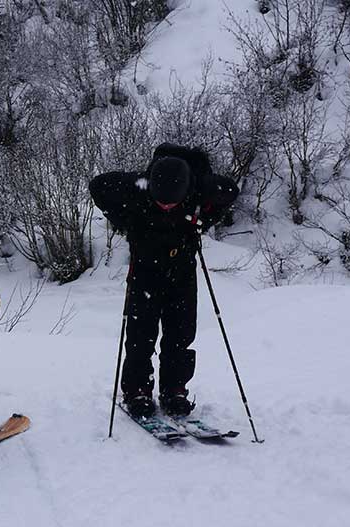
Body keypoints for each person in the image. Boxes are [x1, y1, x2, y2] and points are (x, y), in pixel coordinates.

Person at [89, 143, 239, 418]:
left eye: (172, 202)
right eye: (161, 201)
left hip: (182, 271)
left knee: (180, 335)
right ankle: (137, 391)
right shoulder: (138, 188)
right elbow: (98, 186)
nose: (166, 206)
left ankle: (175, 390)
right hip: (144, 271)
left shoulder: (197, 189)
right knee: (140, 336)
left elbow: (230, 191)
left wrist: (204, 197)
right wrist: (125, 215)